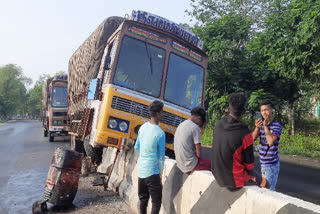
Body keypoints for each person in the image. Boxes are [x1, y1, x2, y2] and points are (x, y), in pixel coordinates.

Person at [211, 93, 258, 190]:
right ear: (244, 112)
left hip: (216, 173)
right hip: (233, 181)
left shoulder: (218, 125)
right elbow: (249, 165)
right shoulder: (245, 132)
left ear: (228, 110)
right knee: (264, 183)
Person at [134, 100, 166, 214]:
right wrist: (160, 174)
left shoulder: (142, 127)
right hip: (153, 172)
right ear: (157, 114)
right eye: (162, 112)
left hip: (141, 171)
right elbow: (161, 158)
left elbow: (136, 147)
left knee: (143, 199)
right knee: (156, 202)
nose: (163, 115)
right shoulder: (161, 133)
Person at [252, 100, 282, 191]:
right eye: (262, 110)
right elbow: (251, 139)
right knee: (264, 188)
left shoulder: (276, 126)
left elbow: (270, 142)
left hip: (271, 164)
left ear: (271, 110)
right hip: (263, 163)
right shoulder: (261, 125)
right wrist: (257, 128)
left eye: (266, 110)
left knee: (269, 190)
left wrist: (265, 127)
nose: (264, 112)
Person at [174, 106, 211, 173]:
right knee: (212, 164)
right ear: (199, 118)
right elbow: (198, 152)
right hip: (189, 165)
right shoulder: (195, 127)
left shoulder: (181, 125)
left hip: (179, 163)